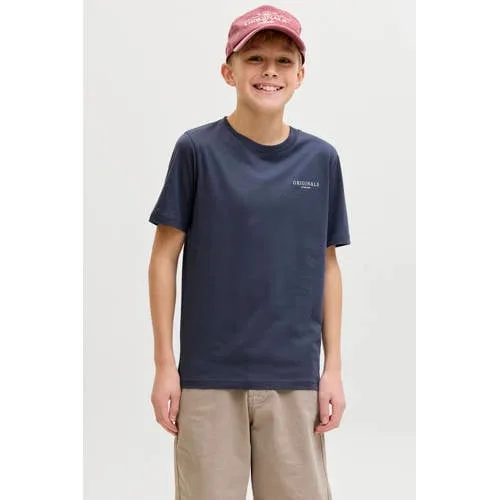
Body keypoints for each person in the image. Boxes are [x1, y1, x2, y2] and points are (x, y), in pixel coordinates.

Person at [148, 5, 351, 499]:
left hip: (294, 379)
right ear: (229, 71)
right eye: (255, 58)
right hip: (209, 378)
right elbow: (163, 258)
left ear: (300, 76)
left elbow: (328, 265)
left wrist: (333, 370)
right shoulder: (197, 151)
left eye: (284, 61)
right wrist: (165, 365)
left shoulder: (320, 160)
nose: (269, 71)